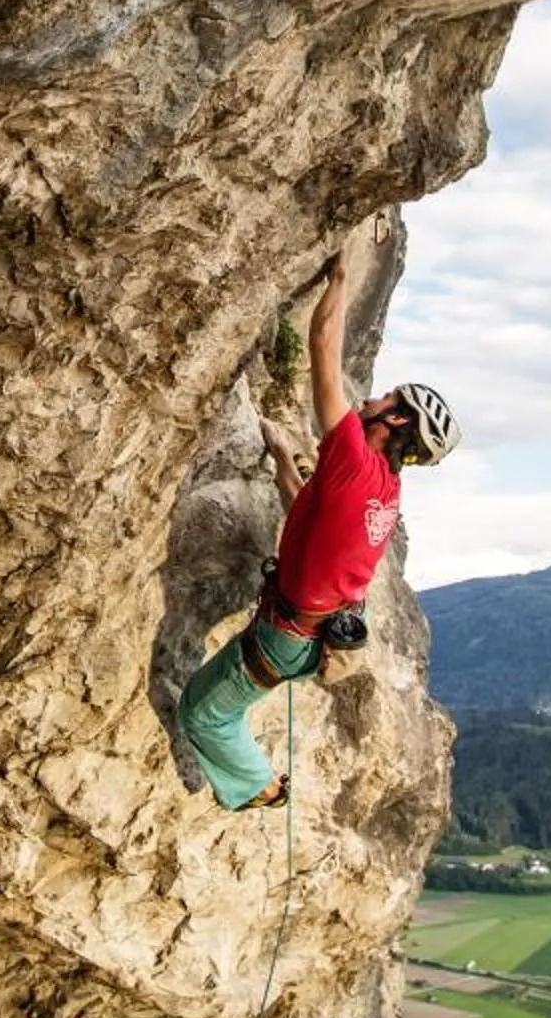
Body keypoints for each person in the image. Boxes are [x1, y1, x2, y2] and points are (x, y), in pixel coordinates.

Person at [181, 247, 457, 810]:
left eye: (387, 397)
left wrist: (339, 279)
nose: (374, 398)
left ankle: (259, 786)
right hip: (314, 634)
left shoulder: (356, 457)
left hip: (289, 635)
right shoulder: (383, 487)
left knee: (204, 712)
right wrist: (284, 459)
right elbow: (310, 516)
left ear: (395, 420)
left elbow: (323, 350)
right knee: (217, 704)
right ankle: (253, 779)